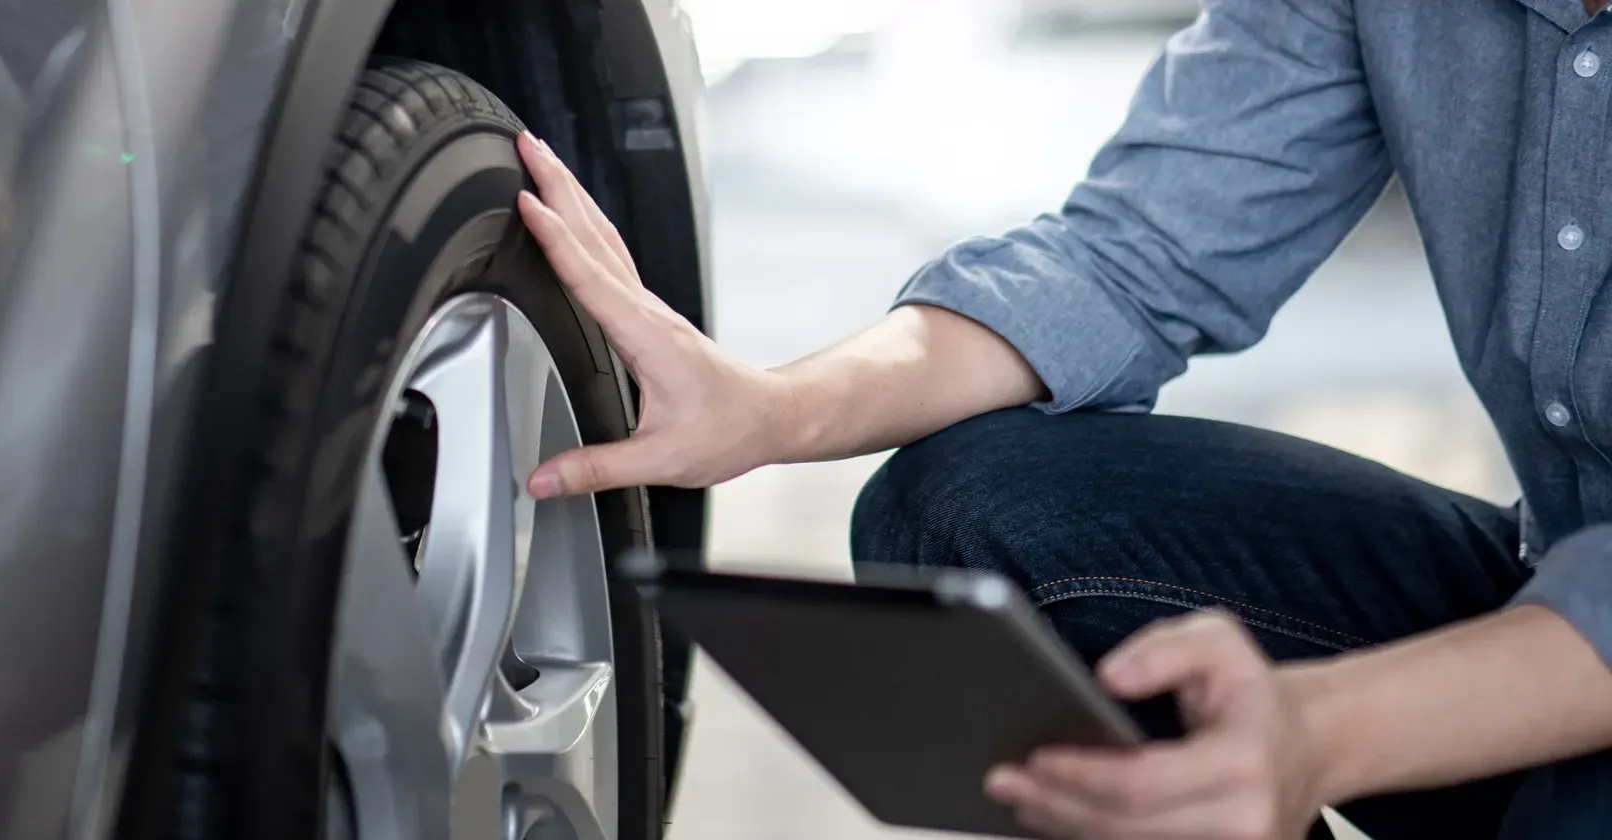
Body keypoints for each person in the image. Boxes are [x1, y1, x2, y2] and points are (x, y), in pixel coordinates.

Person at [510, 0, 1612, 836]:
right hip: (1545, 575)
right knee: (969, 514)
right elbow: (1132, 260)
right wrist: (768, 408)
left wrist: (1322, 734)